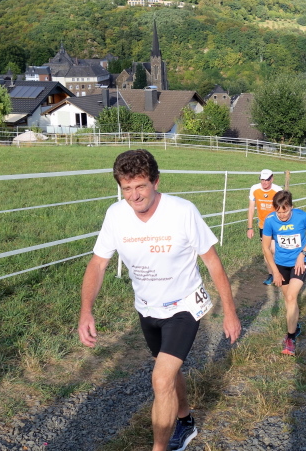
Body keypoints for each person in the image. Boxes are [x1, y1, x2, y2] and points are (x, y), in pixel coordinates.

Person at [78, 149, 241, 451]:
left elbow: (213, 262)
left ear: (155, 182)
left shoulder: (182, 211)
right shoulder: (116, 215)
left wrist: (230, 312)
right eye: (126, 188)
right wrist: (86, 311)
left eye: (140, 186)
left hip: (184, 306)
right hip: (147, 309)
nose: (134, 195)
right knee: (169, 371)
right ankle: (185, 420)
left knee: (161, 379)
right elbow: (98, 263)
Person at [262, 190, 306, 356]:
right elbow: (265, 248)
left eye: (285, 211)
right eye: (278, 212)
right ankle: (295, 326)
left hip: (300, 262)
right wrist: (274, 272)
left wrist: (303, 253)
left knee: (291, 297)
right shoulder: (270, 220)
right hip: (281, 264)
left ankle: (290, 338)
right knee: (288, 299)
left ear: (291, 207)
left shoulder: (302, 217)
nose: (282, 216)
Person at [247, 169, 283, 285]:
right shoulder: (254, 189)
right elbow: (251, 209)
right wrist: (250, 228)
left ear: (272, 179)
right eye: (262, 179)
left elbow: (283, 208)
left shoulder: (278, 190)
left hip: (277, 225)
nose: (264, 182)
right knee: (266, 250)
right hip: (263, 225)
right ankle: (271, 275)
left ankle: (280, 272)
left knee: (274, 250)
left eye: (267, 180)